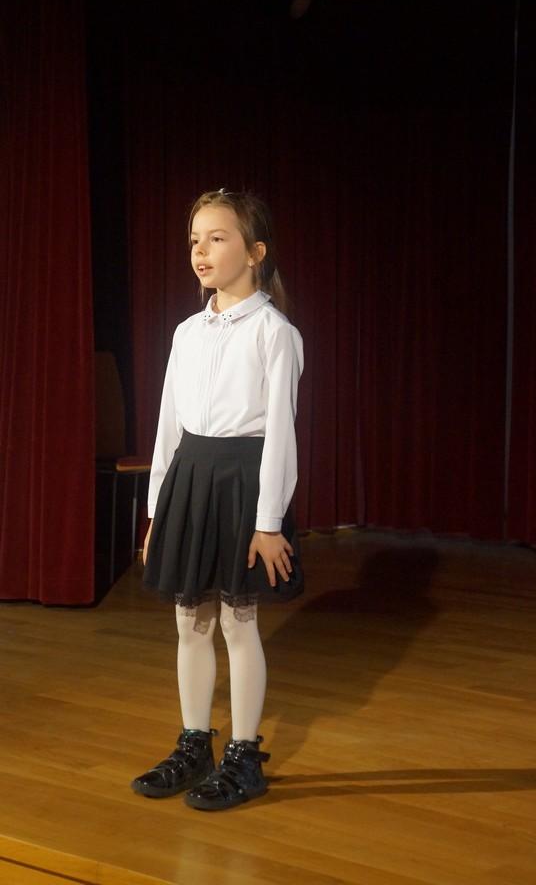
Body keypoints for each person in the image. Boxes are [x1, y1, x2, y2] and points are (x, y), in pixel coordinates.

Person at [131, 187, 304, 811]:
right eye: (194, 240)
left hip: (242, 481)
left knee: (237, 619)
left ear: (255, 252)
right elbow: (168, 426)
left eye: (217, 238)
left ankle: (244, 755)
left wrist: (268, 521)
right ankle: (194, 744)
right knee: (190, 619)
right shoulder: (187, 332)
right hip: (191, 475)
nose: (200, 251)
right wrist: (157, 509)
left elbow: (280, 433)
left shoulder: (274, 332)